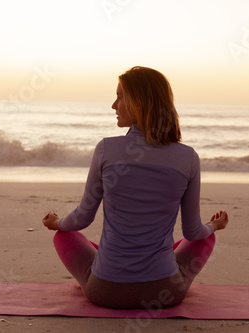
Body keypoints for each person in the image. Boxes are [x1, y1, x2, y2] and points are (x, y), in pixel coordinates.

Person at [42, 66, 228, 309]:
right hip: (165, 293)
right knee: (206, 238)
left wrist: (56, 223)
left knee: (65, 236)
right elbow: (193, 232)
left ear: (139, 102)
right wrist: (214, 226)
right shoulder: (188, 157)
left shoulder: (106, 149)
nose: (113, 105)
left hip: (105, 292)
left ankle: (107, 256)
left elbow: (81, 218)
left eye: (120, 97)